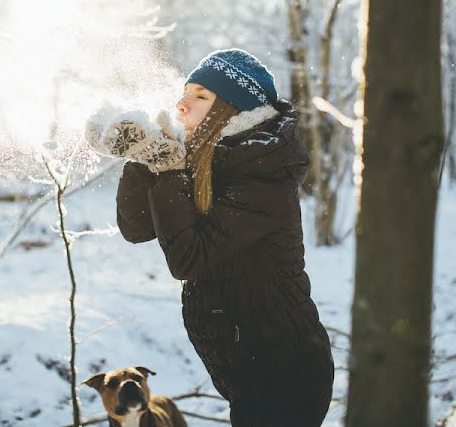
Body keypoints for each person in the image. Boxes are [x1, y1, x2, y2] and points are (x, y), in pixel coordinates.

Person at [87, 49, 334, 426]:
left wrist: (168, 169)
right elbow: (136, 229)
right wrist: (142, 158)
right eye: (186, 92)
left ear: (234, 111)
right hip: (243, 367)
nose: (181, 104)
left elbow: (188, 258)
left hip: (284, 373)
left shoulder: (264, 181)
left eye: (200, 96)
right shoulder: (203, 160)